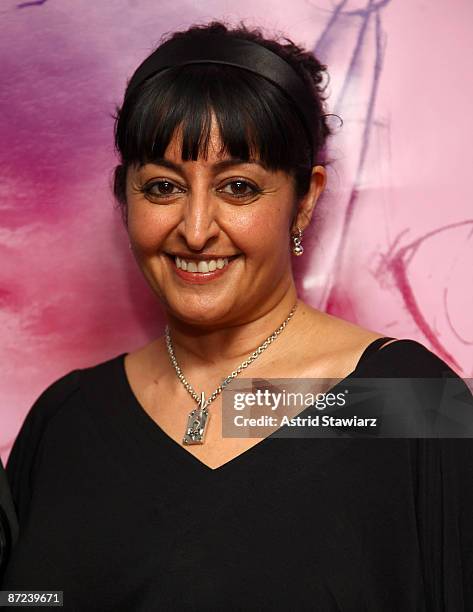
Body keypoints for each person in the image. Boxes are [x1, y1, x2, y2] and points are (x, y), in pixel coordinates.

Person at [2, 20, 473, 612]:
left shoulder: (408, 404)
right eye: (164, 187)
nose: (196, 230)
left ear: (305, 200)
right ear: (126, 196)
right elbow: (29, 598)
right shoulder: (64, 422)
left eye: (240, 188)